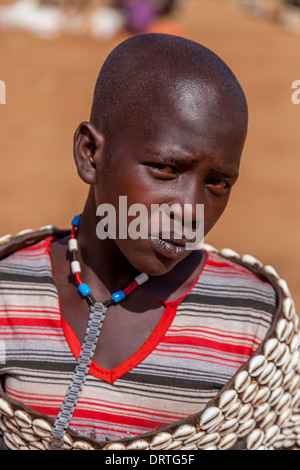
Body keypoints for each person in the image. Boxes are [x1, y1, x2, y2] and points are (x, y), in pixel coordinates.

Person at [0, 34, 299, 451]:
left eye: (217, 183)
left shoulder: (250, 317)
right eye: (164, 168)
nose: (191, 210)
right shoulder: (10, 293)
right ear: (90, 153)